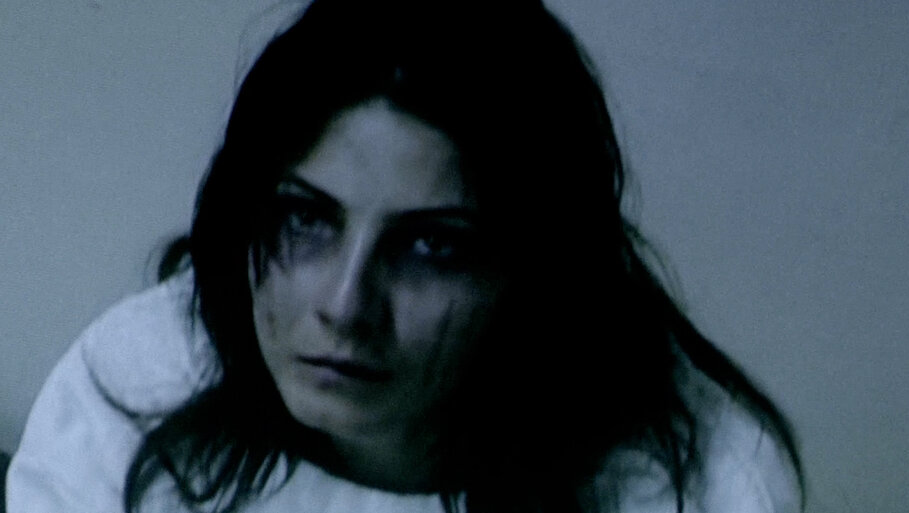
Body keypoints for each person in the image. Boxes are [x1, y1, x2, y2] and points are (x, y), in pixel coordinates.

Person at [7, 1, 804, 512]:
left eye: (431, 245)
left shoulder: (699, 484)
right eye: (306, 220)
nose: (345, 305)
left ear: (537, 271)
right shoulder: (142, 382)